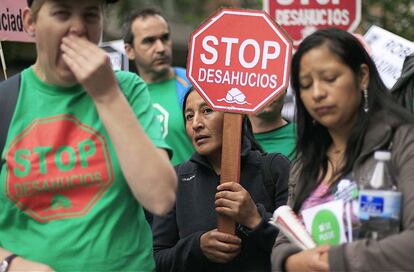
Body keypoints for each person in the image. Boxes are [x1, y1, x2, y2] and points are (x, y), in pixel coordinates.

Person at [0, 0, 177, 271]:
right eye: (62, 14)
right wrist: (9, 263)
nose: (79, 29)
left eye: (91, 15)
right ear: (30, 22)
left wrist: (107, 96)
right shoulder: (5, 101)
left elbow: (160, 197)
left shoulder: (127, 90)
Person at [271, 28, 414, 271]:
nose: (317, 93)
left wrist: (333, 260)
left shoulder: (402, 141)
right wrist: (288, 261)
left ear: (363, 76)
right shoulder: (306, 161)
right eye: (306, 85)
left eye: (330, 78)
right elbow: (284, 240)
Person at [152, 87, 290, 272]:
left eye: (207, 110)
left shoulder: (274, 168)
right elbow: (157, 259)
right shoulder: (176, 179)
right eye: (189, 116)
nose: (196, 124)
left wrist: (255, 220)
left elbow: (299, 248)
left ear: (236, 115)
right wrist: (197, 247)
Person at [123, 8, 194, 166]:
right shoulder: (122, 98)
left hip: (195, 189)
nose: (161, 48)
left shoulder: (194, 85)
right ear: (129, 51)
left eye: (165, 38)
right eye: (149, 41)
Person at [248, 91, 296, 161]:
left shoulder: (306, 139)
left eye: (273, 81)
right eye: (254, 81)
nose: (265, 91)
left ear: (285, 89)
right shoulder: (229, 140)